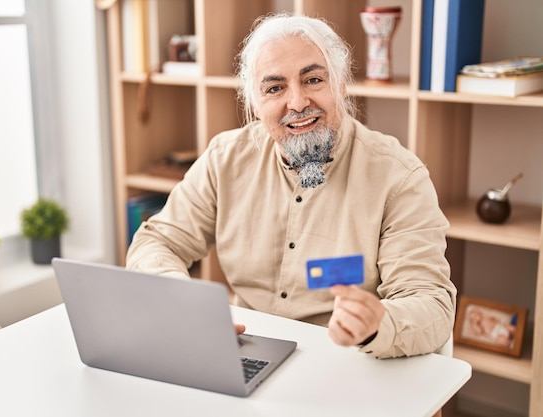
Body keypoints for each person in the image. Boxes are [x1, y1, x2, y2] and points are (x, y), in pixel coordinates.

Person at [126, 12, 456, 358]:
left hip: (349, 361)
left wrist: (379, 323)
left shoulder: (399, 176)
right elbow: (156, 242)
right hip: (246, 355)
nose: (297, 103)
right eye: (275, 88)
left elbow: (430, 303)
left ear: (342, 86)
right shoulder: (224, 158)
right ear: (254, 103)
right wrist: (184, 302)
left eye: (313, 80)